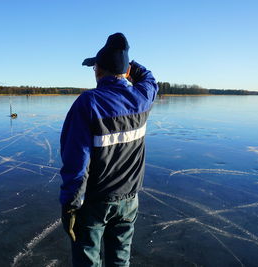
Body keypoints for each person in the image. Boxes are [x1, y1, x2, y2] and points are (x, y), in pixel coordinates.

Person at [60, 32, 158, 266]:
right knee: (120, 259)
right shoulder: (142, 98)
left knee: (87, 260)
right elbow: (150, 79)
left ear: (98, 70)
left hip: (96, 202)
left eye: (95, 67)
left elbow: (76, 161)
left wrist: (70, 204)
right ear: (126, 71)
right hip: (129, 199)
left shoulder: (89, 103)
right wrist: (128, 64)